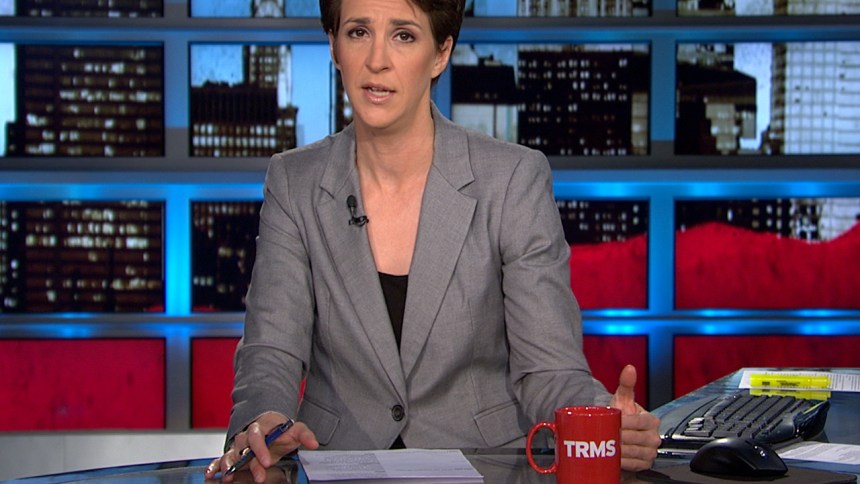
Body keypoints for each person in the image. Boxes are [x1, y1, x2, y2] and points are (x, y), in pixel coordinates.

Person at [205, 0, 661, 481]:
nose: (377, 60)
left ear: (441, 53)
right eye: (359, 32)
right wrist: (263, 420)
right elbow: (271, 350)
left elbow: (548, 369)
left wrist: (602, 420)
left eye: (403, 35)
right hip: (337, 464)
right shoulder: (294, 181)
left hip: (486, 468)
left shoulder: (511, 179)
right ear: (334, 46)